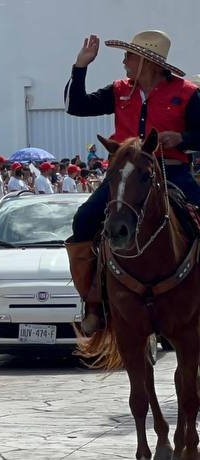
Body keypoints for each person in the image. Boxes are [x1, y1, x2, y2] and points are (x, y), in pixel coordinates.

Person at [64, 31, 200, 334]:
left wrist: (183, 138)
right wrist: (80, 66)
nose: (124, 61)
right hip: (126, 174)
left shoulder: (187, 93)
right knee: (84, 220)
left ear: (149, 63)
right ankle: (95, 303)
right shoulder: (119, 90)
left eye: (130, 56)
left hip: (172, 170)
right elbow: (77, 106)